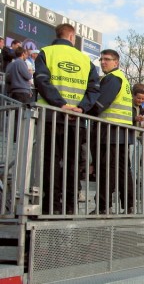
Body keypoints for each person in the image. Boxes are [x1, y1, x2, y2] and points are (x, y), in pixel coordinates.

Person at [34, 23, 100, 214]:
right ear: (72, 37)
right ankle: (70, 206)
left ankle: (50, 206)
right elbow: (94, 88)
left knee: (50, 163)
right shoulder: (85, 59)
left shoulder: (46, 52)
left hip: (51, 117)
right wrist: (80, 108)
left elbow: (41, 80)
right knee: (72, 163)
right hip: (76, 121)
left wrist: (60, 104)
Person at [87, 49, 134, 214]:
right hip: (121, 132)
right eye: (101, 59)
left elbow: (100, 104)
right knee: (122, 170)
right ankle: (128, 205)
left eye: (107, 59)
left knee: (106, 170)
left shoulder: (112, 78)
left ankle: (103, 207)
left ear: (116, 62)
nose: (103, 62)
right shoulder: (123, 79)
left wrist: (82, 111)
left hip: (109, 132)